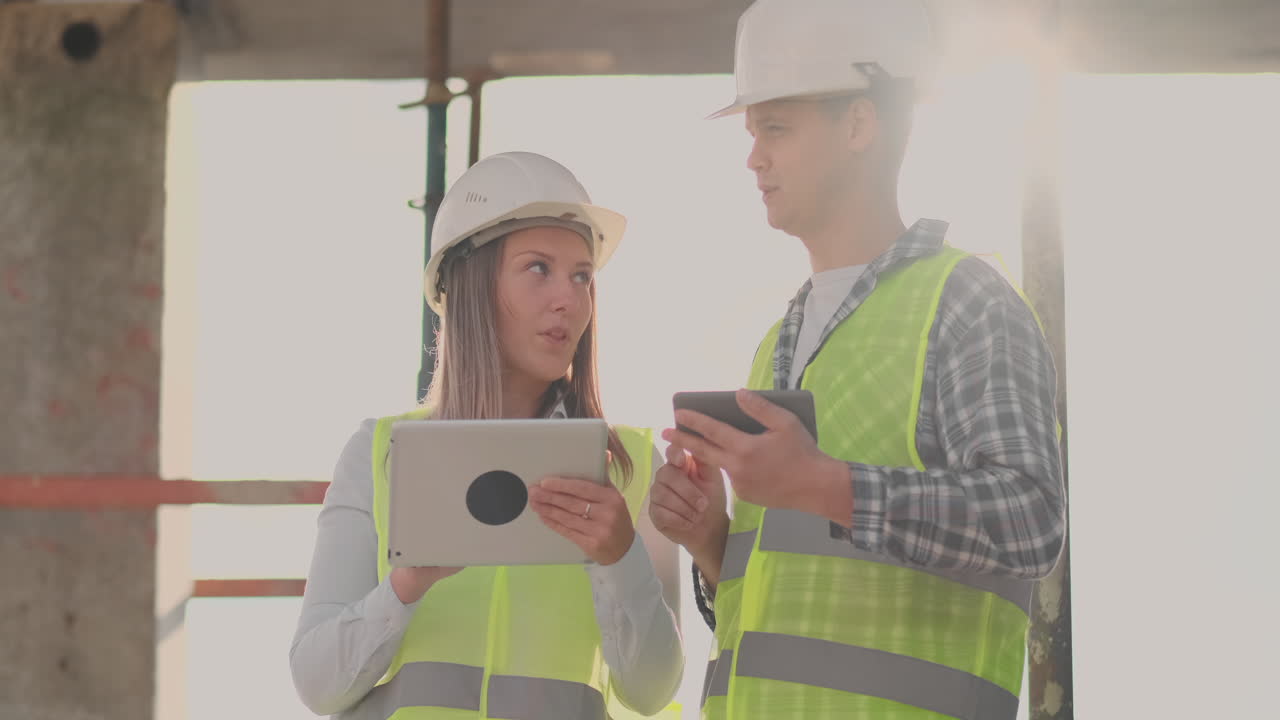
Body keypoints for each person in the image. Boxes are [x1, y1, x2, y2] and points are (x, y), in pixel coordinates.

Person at [647, 1, 1067, 718]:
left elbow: (1029, 523)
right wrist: (712, 540)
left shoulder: (966, 302)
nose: (754, 157)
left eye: (775, 128)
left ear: (859, 126)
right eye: (753, 134)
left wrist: (825, 483)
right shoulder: (775, 344)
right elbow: (779, 617)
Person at [290, 151, 683, 719]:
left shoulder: (632, 466)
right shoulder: (379, 455)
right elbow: (317, 683)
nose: (568, 299)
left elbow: (652, 691)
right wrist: (405, 587)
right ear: (468, 283)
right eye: (538, 268)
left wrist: (619, 557)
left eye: (582, 276)